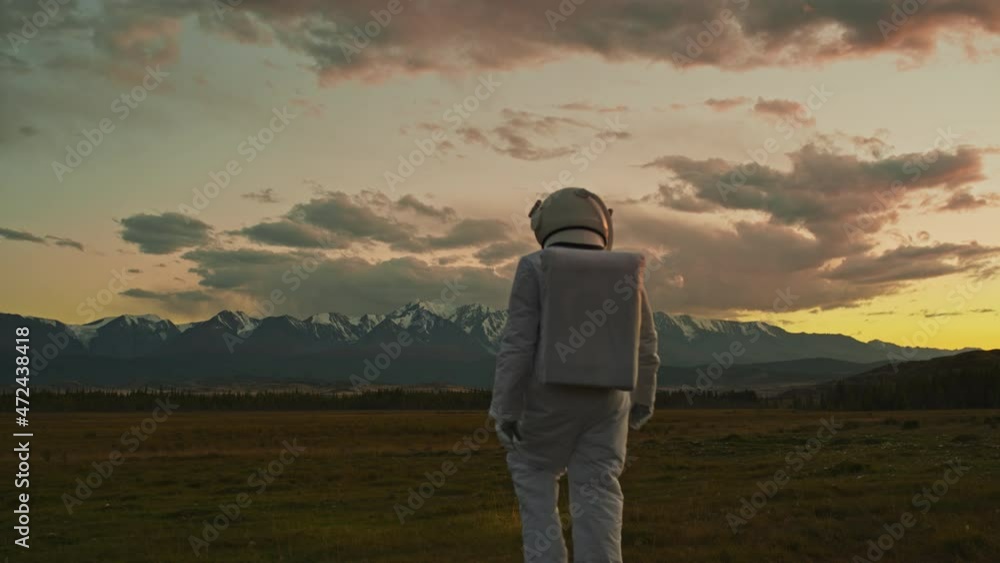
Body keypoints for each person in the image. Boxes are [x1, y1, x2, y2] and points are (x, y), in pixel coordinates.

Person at [490, 187, 660, 563]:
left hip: (546, 397)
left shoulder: (535, 266)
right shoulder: (629, 270)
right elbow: (646, 344)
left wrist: (505, 409)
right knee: (599, 495)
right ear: (601, 223)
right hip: (610, 401)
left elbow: (517, 345)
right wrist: (642, 401)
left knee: (534, 476)